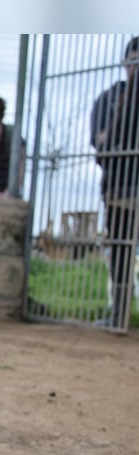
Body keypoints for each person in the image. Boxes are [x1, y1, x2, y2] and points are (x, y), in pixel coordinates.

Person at [92, 36, 139, 328]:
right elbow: (98, 142)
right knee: (121, 251)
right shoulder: (109, 97)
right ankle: (119, 314)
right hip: (120, 186)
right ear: (125, 62)